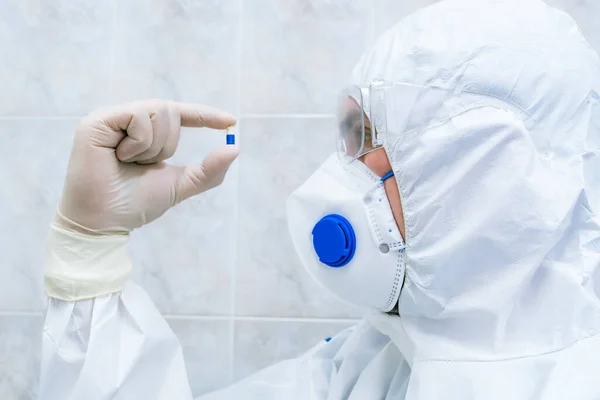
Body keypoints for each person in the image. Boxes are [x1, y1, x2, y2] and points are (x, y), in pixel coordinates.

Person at [39, 0, 600, 398]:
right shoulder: (368, 368)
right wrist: (90, 249)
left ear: (491, 170)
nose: (345, 169)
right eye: (349, 137)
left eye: (369, 138)